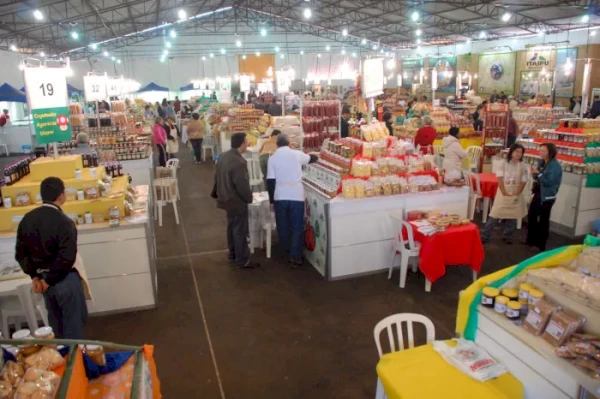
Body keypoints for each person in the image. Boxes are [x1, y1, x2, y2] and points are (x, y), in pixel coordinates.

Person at [15, 177, 87, 338]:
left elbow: (20, 253)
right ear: (61, 196)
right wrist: (49, 280)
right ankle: (75, 361)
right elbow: (66, 258)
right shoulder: (64, 222)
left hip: (43, 280)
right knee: (74, 323)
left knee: (56, 325)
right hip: (64, 279)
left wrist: (35, 276)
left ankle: (60, 357)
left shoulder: (27, 219)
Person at [266, 134, 318, 268]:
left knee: (283, 225)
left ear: (277, 145)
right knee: (296, 226)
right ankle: (295, 257)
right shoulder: (296, 154)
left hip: (280, 196)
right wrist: (314, 154)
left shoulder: (272, 158)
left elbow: (270, 181)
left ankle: (285, 252)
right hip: (296, 195)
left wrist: (271, 201)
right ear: (289, 143)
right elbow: (312, 159)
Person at [211, 133, 258, 269]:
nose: (248, 143)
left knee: (231, 228)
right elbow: (242, 185)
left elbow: (216, 177)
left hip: (225, 198)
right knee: (240, 231)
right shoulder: (238, 162)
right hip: (236, 200)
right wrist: (249, 198)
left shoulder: (223, 156)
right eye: (246, 141)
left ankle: (232, 254)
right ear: (241, 144)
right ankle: (242, 259)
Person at [481, 144, 528, 244]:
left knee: (512, 216)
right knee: (495, 215)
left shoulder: (523, 165)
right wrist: (504, 191)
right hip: (503, 192)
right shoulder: (503, 163)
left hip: (516, 193)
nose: (518, 154)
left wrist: (517, 193)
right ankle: (485, 235)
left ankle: (508, 236)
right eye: (517, 151)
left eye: (521, 152)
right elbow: (499, 178)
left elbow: (524, 181)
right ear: (511, 152)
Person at [525, 143, 562, 252]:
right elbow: (537, 176)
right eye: (540, 150)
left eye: (544, 151)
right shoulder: (541, 162)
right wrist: (535, 173)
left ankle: (541, 245)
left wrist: (539, 173)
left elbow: (549, 181)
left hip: (547, 195)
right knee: (532, 215)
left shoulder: (555, 166)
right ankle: (530, 240)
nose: (541, 153)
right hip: (538, 192)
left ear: (550, 152)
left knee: (543, 220)